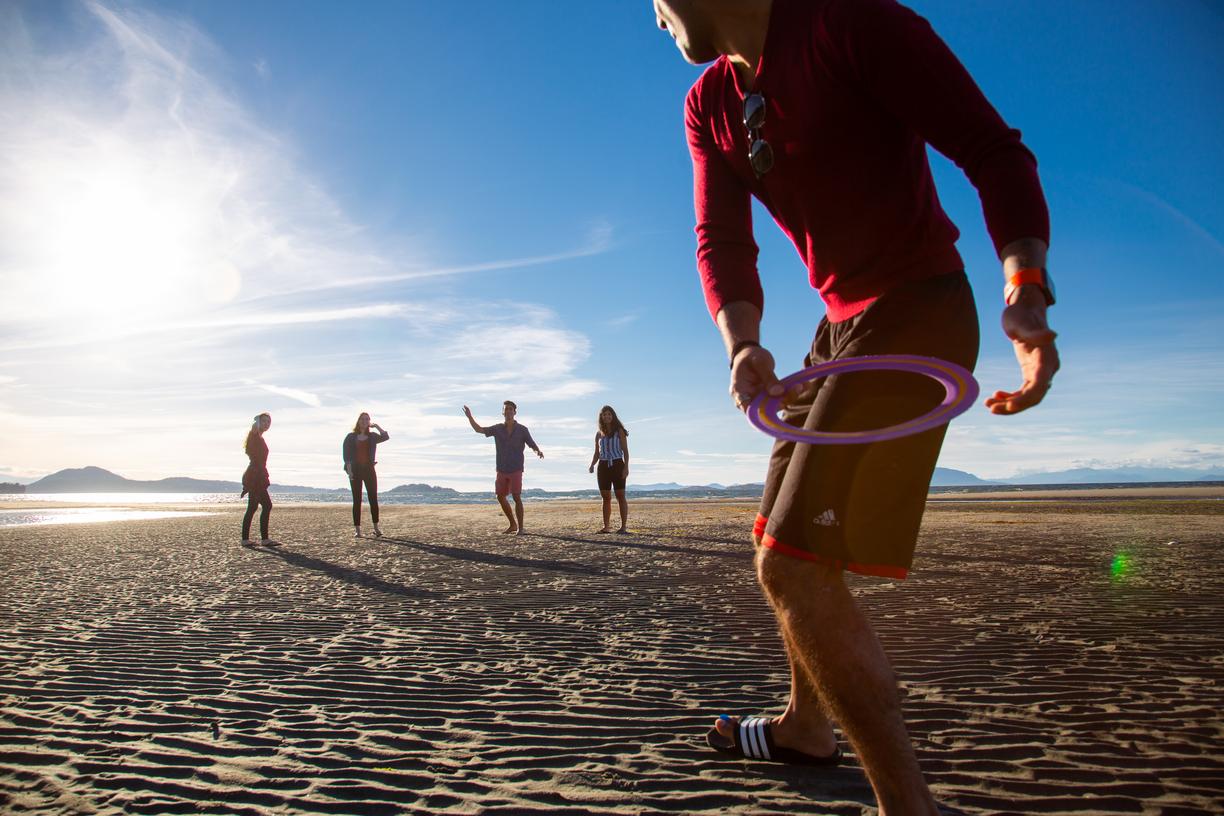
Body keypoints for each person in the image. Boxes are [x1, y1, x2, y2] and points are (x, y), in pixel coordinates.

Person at [653, 0, 1060, 811]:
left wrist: (1026, 291)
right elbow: (721, 241)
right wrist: (744, 345)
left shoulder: (853, 24)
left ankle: (911, 807)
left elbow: (992, 150)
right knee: (777, 538)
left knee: (792, 568)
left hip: (918, 310)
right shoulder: (709, 103)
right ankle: (808, 725)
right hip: (835, 333)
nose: (654, 16)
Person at [463, 401, 544, 535]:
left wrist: (538, 452)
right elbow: (479, 429)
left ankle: (521, 528)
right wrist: (470, 417)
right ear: (503, 412)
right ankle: (512, 524)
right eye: (506, 409)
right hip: (501, 468)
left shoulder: (522, 429)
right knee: (500, 496)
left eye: (510, 409)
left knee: (516, 497)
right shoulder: (498, 428)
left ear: (514, 412)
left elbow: (531, 443)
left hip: (516, 467)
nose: (508, 412)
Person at [342, 412, 390, 538]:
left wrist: (377, 426)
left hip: (369, 469)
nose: (365, 421)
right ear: (358, 421)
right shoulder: (350, 437)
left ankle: (376, 528)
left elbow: (385, 437)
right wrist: (349, 471)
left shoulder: (373, 436)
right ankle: (358, 530)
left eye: (367, 419)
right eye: (362, 419)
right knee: (357, 500)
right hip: (355, 470)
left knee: (373, 498)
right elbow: (346, 456)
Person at [587, 405, 630, 533]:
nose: (607, 416)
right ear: (601, 417)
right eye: (604, 414)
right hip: (603, 466)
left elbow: (625, 451)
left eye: (609, 414)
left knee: (620, 496)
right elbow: (597, 453)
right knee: (606, 497)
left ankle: (623, 527)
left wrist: (626, 467)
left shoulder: (620, 431)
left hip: (617, 464)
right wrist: (592, 464)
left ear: (613, 416)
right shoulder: (598, 434)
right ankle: (606, 526)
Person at [240, 413, 275, 545]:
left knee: (253, 507)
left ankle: (246, 539)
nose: (267, 424)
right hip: (255, 476)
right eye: (264, 421)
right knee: (266, 505)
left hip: (258, 474)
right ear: (259, 422)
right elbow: (255, 426)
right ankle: (264, 539)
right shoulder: (253, 436)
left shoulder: (260, 438)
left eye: (269, 422)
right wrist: (257, 420)